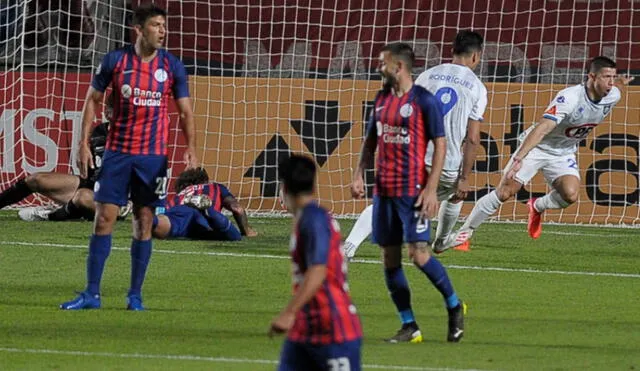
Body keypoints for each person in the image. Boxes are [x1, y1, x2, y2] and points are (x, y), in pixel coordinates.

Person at [60, 4, 197, 311]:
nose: (163, 31)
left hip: (152, 158)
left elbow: (186, 111)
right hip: (117, 154)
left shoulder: (172, 66)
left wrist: (191, 147)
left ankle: (135, 295)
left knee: (144, 221)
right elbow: (93, 101)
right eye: (156, 25)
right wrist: (83, 143)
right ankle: (91, 294)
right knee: (103, 218)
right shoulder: (116, 60)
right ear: (139, 29)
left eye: (164, 25)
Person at [445, 56, 632, 251]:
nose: (611, 82)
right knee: (505, 191)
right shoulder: (570, 98)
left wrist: (620, 81)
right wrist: (519, 158)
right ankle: (465, 233)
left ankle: (537, 206)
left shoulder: (613, 94)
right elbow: (542, 128)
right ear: (591, 77)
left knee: (570, 195)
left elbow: (618, 86)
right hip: (537, 147)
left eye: (613, 77)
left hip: (563, 153)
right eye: (606, 77)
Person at [351, 42, 466, 343]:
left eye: (382, 62)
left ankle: (454, 306)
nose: (378, 67)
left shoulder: (424, 101)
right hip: (384, 192)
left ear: (398, 67)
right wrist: (359, 173)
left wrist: (431, 189)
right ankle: (409, 325)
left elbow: (440, 144)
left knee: (419, 255)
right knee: (389, 259)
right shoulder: (380, 99)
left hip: (412, 191)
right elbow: (370, 141)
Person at [343, 30, 486, 257]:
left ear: (452, 51)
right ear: (477, 56)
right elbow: (473, 138)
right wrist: (465, 178)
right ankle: (441, 241)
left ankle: (349, 246)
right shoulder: (477, 87)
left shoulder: (427, 75)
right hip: (446, 164)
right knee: (456, 193)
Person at [269, 154, 362, 370]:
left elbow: (318, 270)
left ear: (284, 188)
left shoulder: (314, 220)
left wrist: (289, 312)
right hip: (305, 328)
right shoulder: (307, 217)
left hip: (334, 329)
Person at [0, 94, 129, 222]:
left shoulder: (136, 138)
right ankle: (74, 211)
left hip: (114, 198)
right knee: (36, 179)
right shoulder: (98, 132)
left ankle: (51, 215)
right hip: (90, 187)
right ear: (107, 112)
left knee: (82, 197)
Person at [152, 167, 257, 241]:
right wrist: (247, 231)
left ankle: (148, 219)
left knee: (163, 225)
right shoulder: (215, 187)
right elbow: (237, 209)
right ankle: (207, 211)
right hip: (206, 222)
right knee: (234, 236)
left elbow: (165, 212)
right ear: (205, 180)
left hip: (182, 212)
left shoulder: (180, 194)